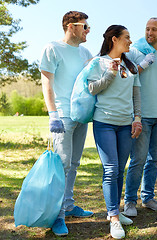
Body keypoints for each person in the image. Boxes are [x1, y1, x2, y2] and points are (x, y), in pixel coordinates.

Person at [40, 11, 93, 236]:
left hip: (82, 114)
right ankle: (57, 216)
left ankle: (69, 205)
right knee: (63, 164)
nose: (88, 31)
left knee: (75, 162)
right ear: (72, 27)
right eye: (85, 27)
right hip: (63, 115)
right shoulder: (52, 48)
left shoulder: (86, 52)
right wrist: (53, 113)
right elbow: (47, 83)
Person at [87, 25, 142, 239]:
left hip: (126, 124)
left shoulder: (132, 67)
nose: (130, 41)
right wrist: (110, 73)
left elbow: (136, 96)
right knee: (110, 169)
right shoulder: (97, 63)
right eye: (127, 37)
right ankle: (114, 218)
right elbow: (92, 88)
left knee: (120, 169)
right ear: (114, 39)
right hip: (104, 123)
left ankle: (116, 210)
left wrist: (137, 119)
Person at [123, 17, 157, 217]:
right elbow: (126, 76)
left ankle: (148, 197)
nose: (149, 33)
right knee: (138, 159)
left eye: (154, 29)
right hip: (141, 115)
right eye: (147, 29)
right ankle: (129, 201)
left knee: (154, 159)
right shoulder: (135, 52)